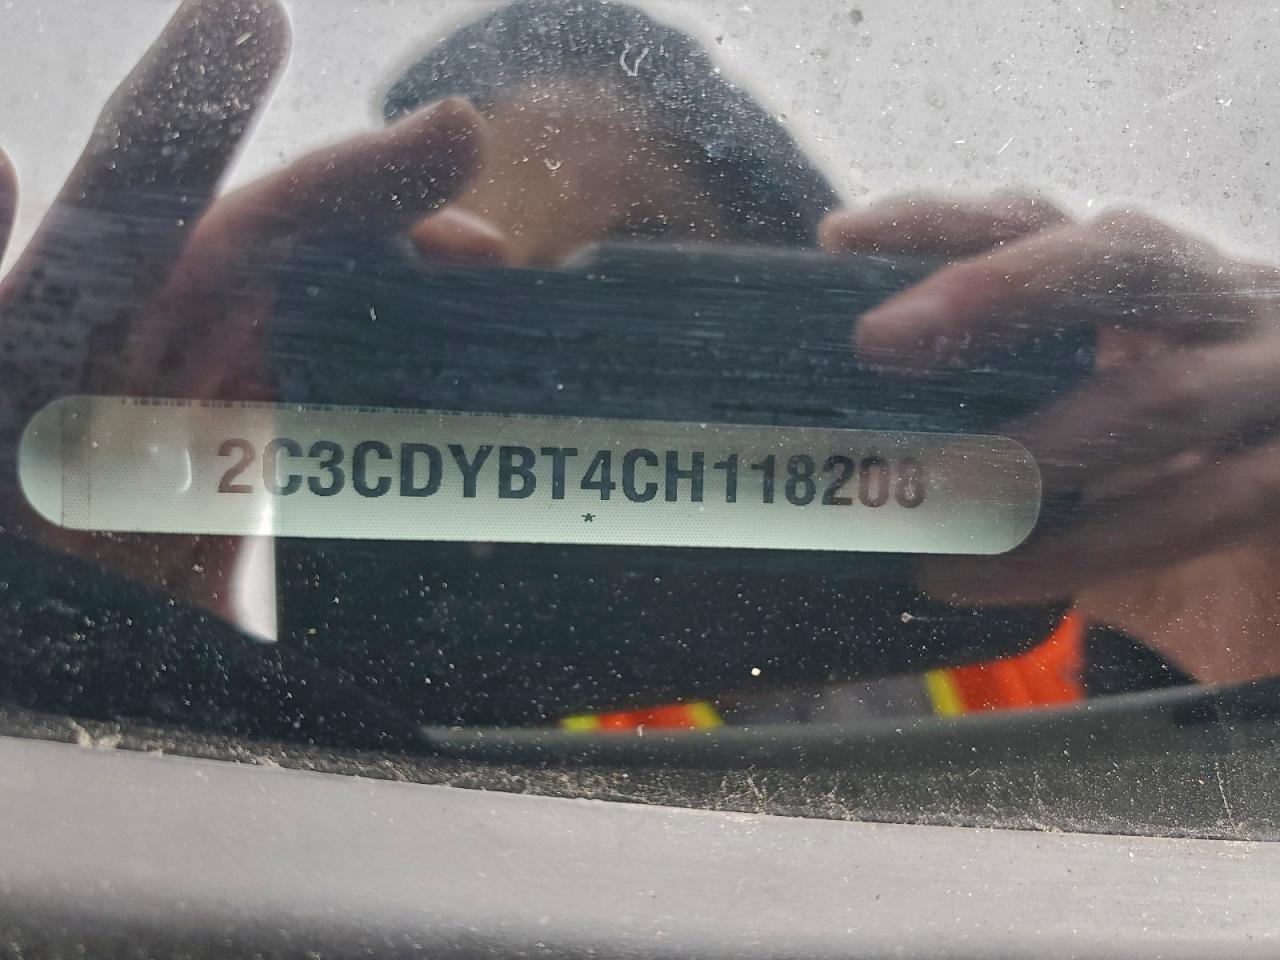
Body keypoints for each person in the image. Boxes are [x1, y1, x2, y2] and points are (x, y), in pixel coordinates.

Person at [0, 0, 1275, 737]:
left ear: (821, 335)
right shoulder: (323, 757)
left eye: (631, 310)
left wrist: (1244, 626)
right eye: (469, 335)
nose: (543, 403)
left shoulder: (1107, 655)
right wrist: (93, 671)